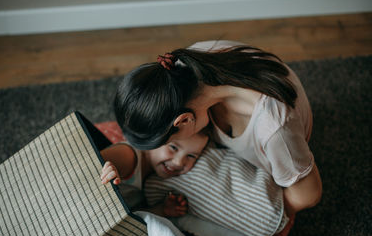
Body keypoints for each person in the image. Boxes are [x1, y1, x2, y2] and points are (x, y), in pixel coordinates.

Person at [113, 40, 322, 216]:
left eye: (172, 143)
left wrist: (255, 215)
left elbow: (308, 195)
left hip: (282, 152)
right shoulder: (184, 66)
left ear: (184, 120)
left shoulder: (274, 130)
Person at [99, 131, 209, 217]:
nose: (178, 162)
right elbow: (87, 169)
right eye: (173, 147)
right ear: (154, 138)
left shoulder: (155, 176)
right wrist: (104, 173)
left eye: (191, 156)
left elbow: (133, 215)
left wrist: (162, 210)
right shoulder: (128, 156)